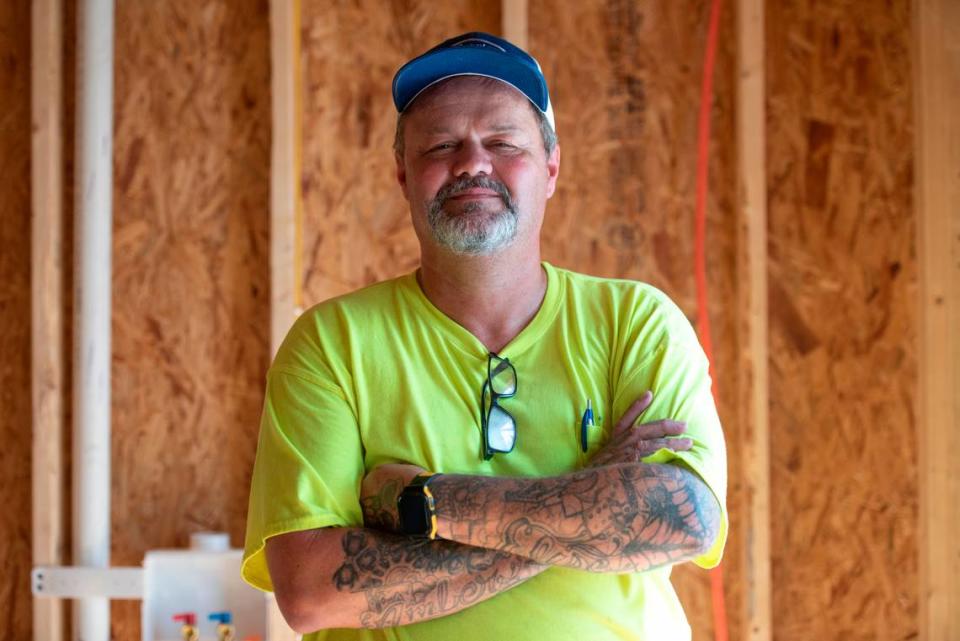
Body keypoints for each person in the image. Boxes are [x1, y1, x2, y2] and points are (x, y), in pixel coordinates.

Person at [242, 32, 728, 641]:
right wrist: (585, 492)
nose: (472, 163)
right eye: (442, 145)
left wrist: (425, 501)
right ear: (403, 175)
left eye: (503, 142)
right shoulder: (333, 343)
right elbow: (312, 595)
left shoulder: (636, 323)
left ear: (551, 168)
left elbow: (684, 520)